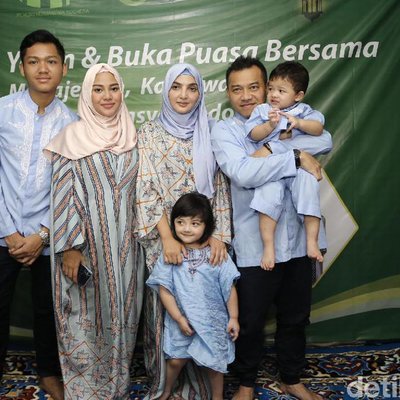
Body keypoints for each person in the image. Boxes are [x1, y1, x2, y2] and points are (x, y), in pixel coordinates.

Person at [211, 56, 333, 400]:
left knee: (296, 316)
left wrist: (273, 150)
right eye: (237, 89)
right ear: (228, 93)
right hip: (255, 243)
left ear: (267, 88)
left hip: (299, 240)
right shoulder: (226, 130)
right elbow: (243, 173)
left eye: (254, 87)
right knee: (250, 320)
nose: (246, 95)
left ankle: (292, 378)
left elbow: (324, 140)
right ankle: (246, 384)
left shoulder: (291, 116)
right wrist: (294, 156)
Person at [44, 63, 144, 399]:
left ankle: (116, 385)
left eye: (113, 88)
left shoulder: (132, 136)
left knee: (123, 316)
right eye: (98, 89)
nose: (107, 96)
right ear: (87, 94)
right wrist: (70, 247)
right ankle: (86, 391)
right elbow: (62, 194)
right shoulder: (72, 138)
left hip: (127, 250)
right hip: (86, 248)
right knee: (83, 318)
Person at [136, 63, 232, 399]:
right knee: (169, 307)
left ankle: (205, 380)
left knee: (205, 304)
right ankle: (165, 381)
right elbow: (146, 188)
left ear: (200, 93)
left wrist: (218, 236)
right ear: (166, 91)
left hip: (204, 237)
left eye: (192, 88)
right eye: (176, 87)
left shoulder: (210, 129)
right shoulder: (149, 133)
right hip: (165, 237)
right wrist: (167, 238)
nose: (184, 95)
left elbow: (219, 187)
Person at [0, 29, 77, 400]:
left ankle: (49, 373)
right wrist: (8, 231)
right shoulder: (2, 111)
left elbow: (70, 188)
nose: (43, 69)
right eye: (34, 61)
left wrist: (42, 235)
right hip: (4, 231)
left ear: (63, 68)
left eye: (51, 61)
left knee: (50, 311)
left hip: (48, 235)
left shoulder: (74, 123)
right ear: (22, 67)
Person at [146, 192, 240, 400]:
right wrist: (179, 318)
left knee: (215, 365)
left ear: (207, 226)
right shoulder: (171, 254)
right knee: (175, 360)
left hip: (212, 322)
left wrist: (233, 317)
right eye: (180, 222)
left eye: (195, 223)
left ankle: (217, 397)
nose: (186, 228)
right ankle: (166, 390)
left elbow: (229, 287)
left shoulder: (217, 254)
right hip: (181, 321)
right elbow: (165, 290)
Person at [244, 61, 325, 270]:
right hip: (272, 169)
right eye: (271, 88)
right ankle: (268, 247)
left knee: (309, 188)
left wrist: (300, 123)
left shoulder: (304, 111)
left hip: (299, 169)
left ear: (298, 95)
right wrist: (270, 125)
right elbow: (253, 134)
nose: (274, 94)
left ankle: (312, 241)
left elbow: (319, 130)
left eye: (281, 91)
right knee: (268, 197)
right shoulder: (263, 110)